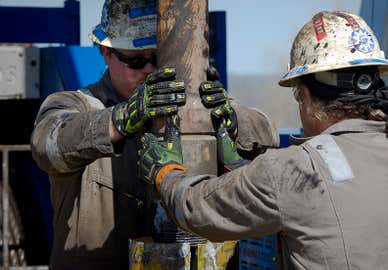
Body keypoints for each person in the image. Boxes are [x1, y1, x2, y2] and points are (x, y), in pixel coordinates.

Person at [138, 11, 388, 269]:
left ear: (304, 95)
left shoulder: (295, 170)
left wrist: (166, 174)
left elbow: (197, 210)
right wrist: (243, 165)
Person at [30, 0, 279, 269]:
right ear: (105, 52)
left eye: (157, 59)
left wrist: (232, 121)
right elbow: (48, 144)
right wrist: (122, 118)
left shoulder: (194, 108)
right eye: (136, 61)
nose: (149, 70)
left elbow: (268, 135)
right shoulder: (76, 105)